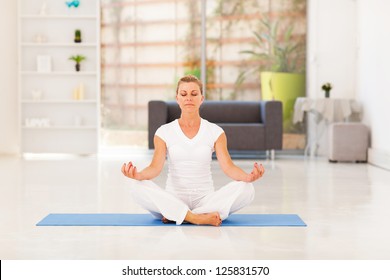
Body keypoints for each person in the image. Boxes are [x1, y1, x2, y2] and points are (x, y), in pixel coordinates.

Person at [121, 75, 265, 226]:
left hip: (205, 201)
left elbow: (228, 167)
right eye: (183, 94)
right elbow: (155, 168)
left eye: (194, 94)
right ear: (177, 98)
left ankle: (178, 214)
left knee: (247, 189)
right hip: (172, 198)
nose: (188, 98)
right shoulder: (164, 132)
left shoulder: (215, 131)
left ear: (201, 98)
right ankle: (195, 217)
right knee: (136, 186)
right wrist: (138, 175)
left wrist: (248, 177)